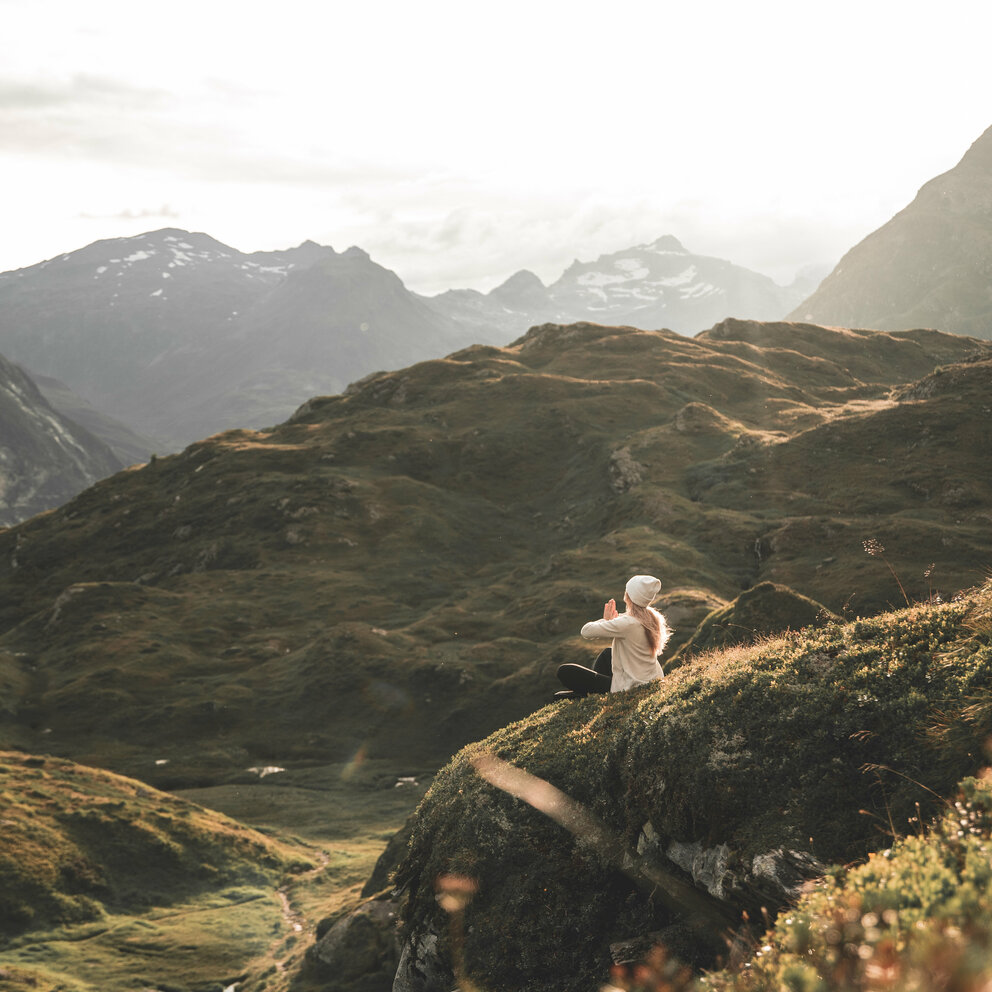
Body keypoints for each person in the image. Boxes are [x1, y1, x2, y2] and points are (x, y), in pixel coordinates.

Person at [555, 575, 671, 698]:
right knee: (607, 653)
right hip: (648, 680)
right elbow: (624, 620)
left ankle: (595, 694)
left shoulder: (628, 623)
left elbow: (586, 631)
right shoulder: (652, 617)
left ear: (629, 596)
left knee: (564, 672)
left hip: (630, 688)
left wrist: (605, 620)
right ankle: (594, 692)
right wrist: (611, 621)